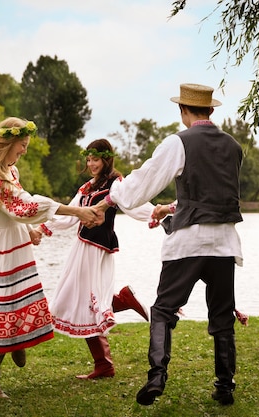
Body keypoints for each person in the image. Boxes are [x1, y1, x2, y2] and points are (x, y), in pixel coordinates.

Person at [94, 83, 244, 406]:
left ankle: (157, 376)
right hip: (224, 243)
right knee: (221, 315)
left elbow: (143, 182)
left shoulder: (179, 143)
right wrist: (172, 207)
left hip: (189, 241)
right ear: (211, 111)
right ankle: (225, 386)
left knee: (162, 309)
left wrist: (113, 196)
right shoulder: (234, 147)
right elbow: (211, 194)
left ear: (182, 111)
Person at [0, 108, 101, 400]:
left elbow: (17, 213)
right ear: (7, 143)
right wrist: (76, 210)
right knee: (2, 315)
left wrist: (30, 232)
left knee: (20, 306)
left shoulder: (11, 171)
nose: (24, 152)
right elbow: (24, 205)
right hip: (0, 252)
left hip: (16, 245)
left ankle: (15, 341)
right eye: (22, 146)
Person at [35, 139, 152, 379]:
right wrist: (42, 229)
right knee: (82, 303)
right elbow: (69, 216)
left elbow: (134, 206)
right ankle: (105, 360)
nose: (91, 164)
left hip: (97, 249)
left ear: (106, 159)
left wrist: (159, 213)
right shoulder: (87, 188)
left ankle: (106, 361)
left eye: (95, 159)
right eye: (88, 160)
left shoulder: (117, 185)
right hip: (82, 247)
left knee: (84, 304)